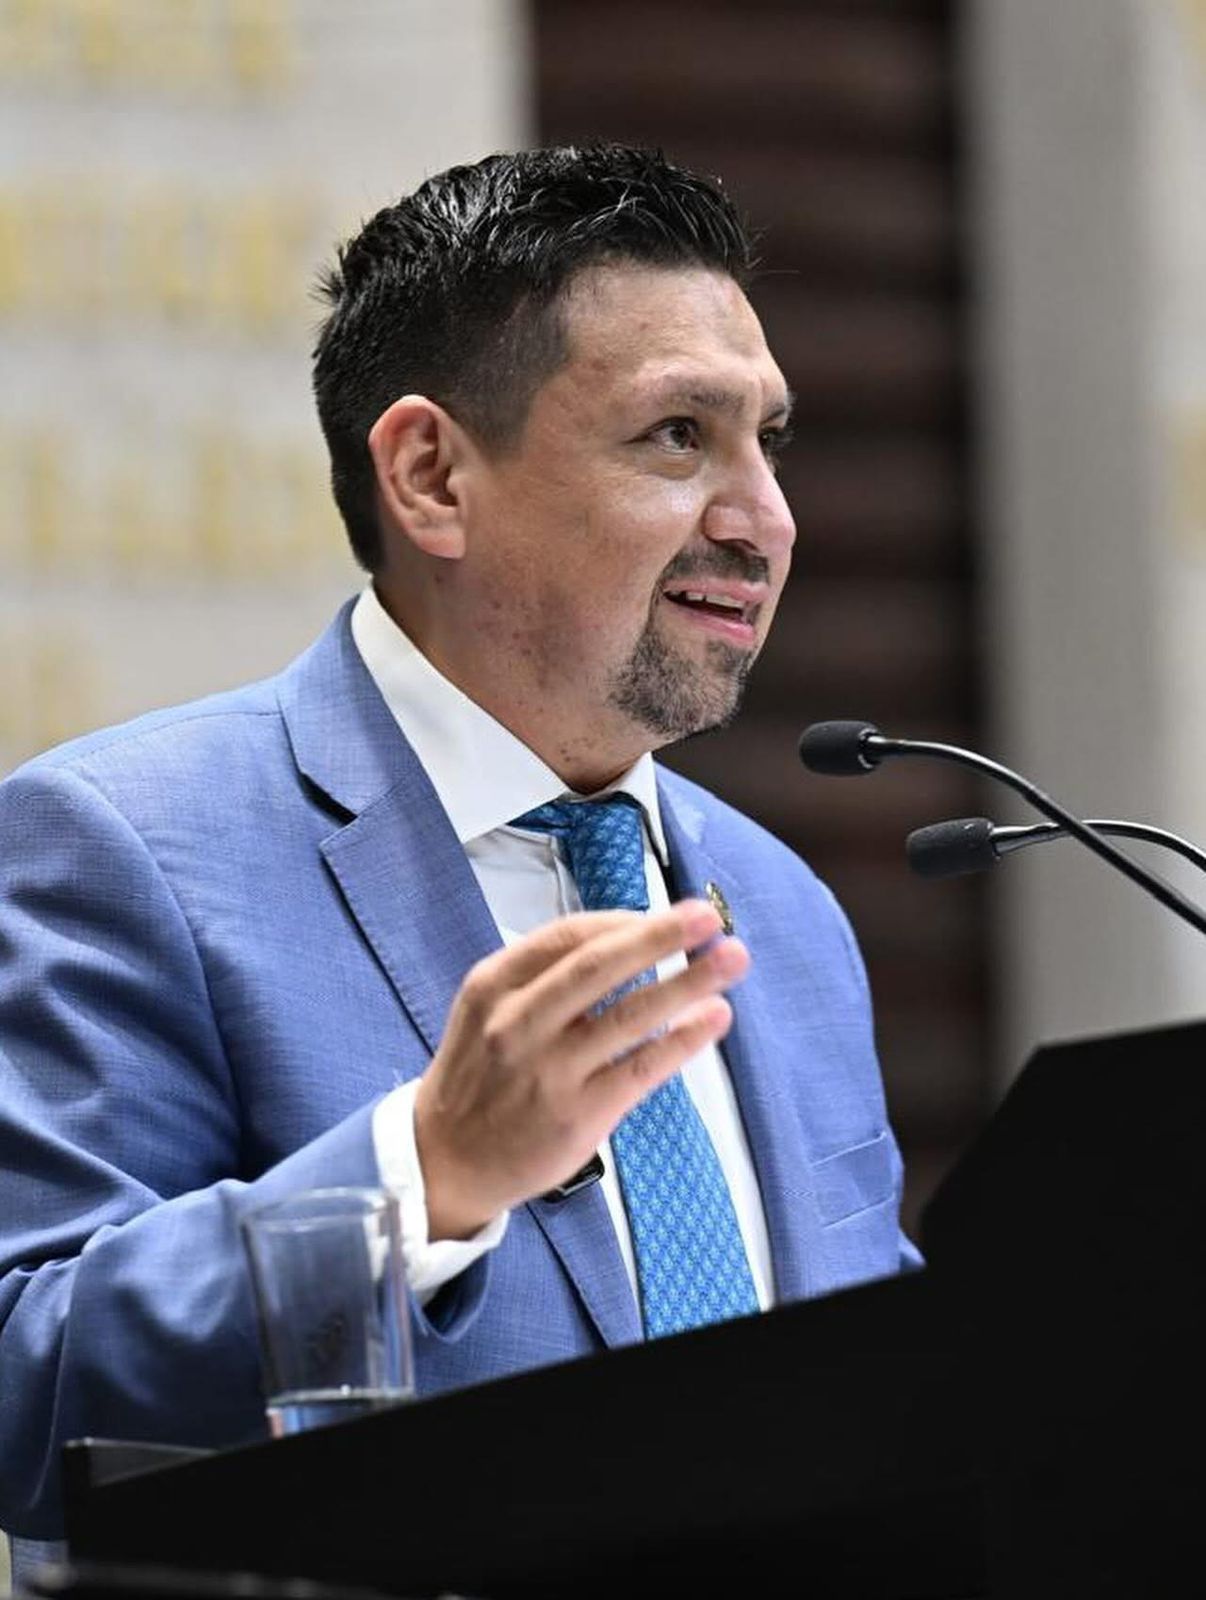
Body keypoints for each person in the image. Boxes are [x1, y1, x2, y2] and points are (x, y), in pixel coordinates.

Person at [0, 145, 919, 1547]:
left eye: (768, 442)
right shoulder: (121, 848)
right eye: (678, 435)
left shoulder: (781, 911)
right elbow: (29, 1392)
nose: (763, 522)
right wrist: (419, 1176)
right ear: (431, 476)